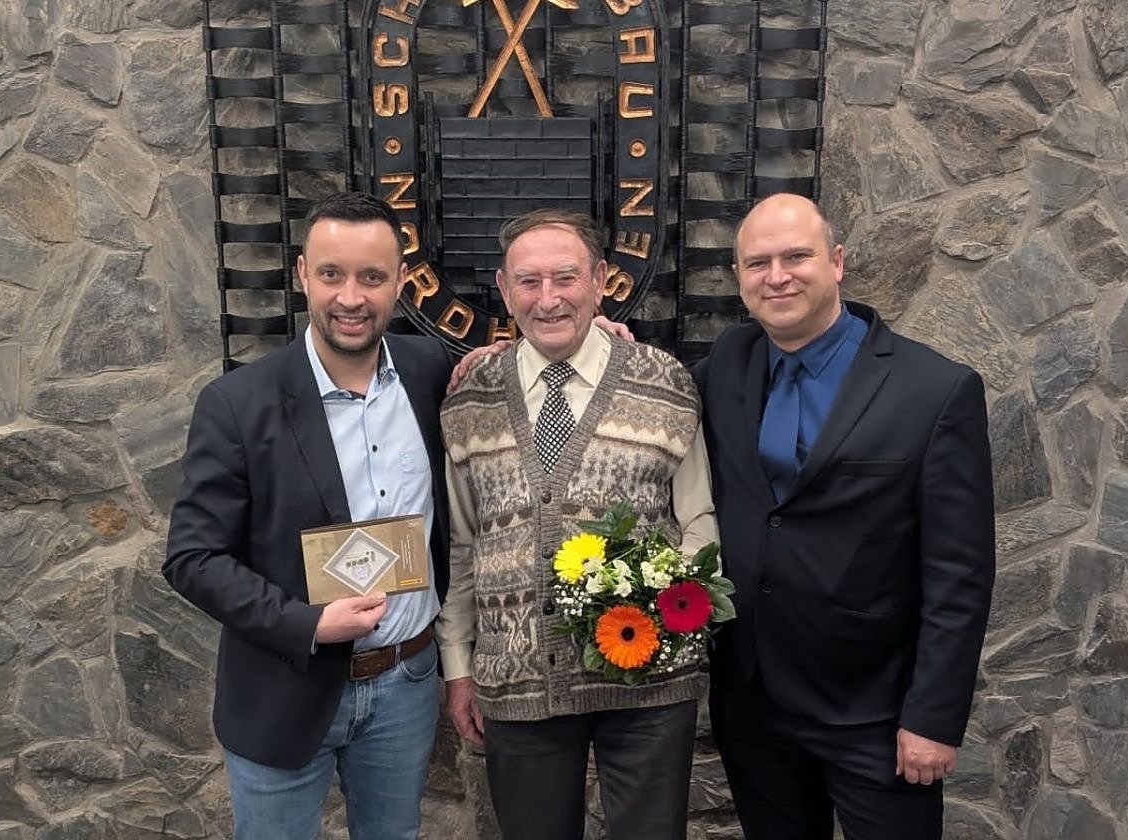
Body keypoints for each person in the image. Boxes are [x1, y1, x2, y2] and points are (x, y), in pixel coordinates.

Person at [696, 193, 995, 839]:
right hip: (753, 702)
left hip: (875, 713)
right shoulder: (726, 365)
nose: (777, 276)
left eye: (796, 257)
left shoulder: (934, 390)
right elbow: (646, 391)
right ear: (739, 278)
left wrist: (933, 718)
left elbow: (960, 575)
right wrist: (599, 342)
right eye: (758, 263)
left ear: (836, 263)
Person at [163, 192, 453, 840]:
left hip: (406, 680)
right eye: (331, 274)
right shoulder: (237, 404)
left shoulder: (430, 370)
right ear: (302, 274)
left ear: (401, 281)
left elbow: (519, 370)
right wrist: (308, 624)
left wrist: (603, 333)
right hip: (284, 685)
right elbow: (192, 558)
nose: (351, 297)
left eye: (372, 276)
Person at [435, 208, 719, 840]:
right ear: (504, 290)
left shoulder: (664, 381)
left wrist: (672, 618)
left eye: (565, 277)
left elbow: (698, 518)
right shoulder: (470, 396)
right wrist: (458, 665)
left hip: (648, 681)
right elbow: (461, 542)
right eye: (528, 281)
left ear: (599, 281)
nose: (548, 299)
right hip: (518, 680)